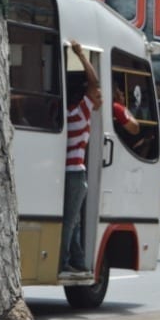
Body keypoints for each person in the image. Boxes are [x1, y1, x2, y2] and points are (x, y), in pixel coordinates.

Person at [60, 40, 101, 275]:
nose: (99, 100)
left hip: (68, 172)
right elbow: (94, 83)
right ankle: (65, 260)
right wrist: (82, 55)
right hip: (75, 173)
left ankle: (77, 259)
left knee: (74, 220)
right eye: (98, 97)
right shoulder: (81, 111)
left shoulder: (66, 114)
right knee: (71, 220)